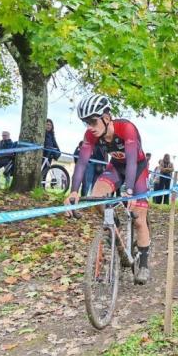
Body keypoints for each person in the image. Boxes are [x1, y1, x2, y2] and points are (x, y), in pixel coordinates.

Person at [64, 94, 152, 285]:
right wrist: (73, 191)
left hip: (136, 168)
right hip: (116, 168)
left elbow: (130, 160)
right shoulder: (90, 135)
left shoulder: (126, 128)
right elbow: (81, 163)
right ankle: (116, 227)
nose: (89, 127)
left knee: (139, 217)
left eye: (93, 121)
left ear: (106, 117)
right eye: (85, 122)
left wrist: (129, 192)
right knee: (96, 197)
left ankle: (143, 264)